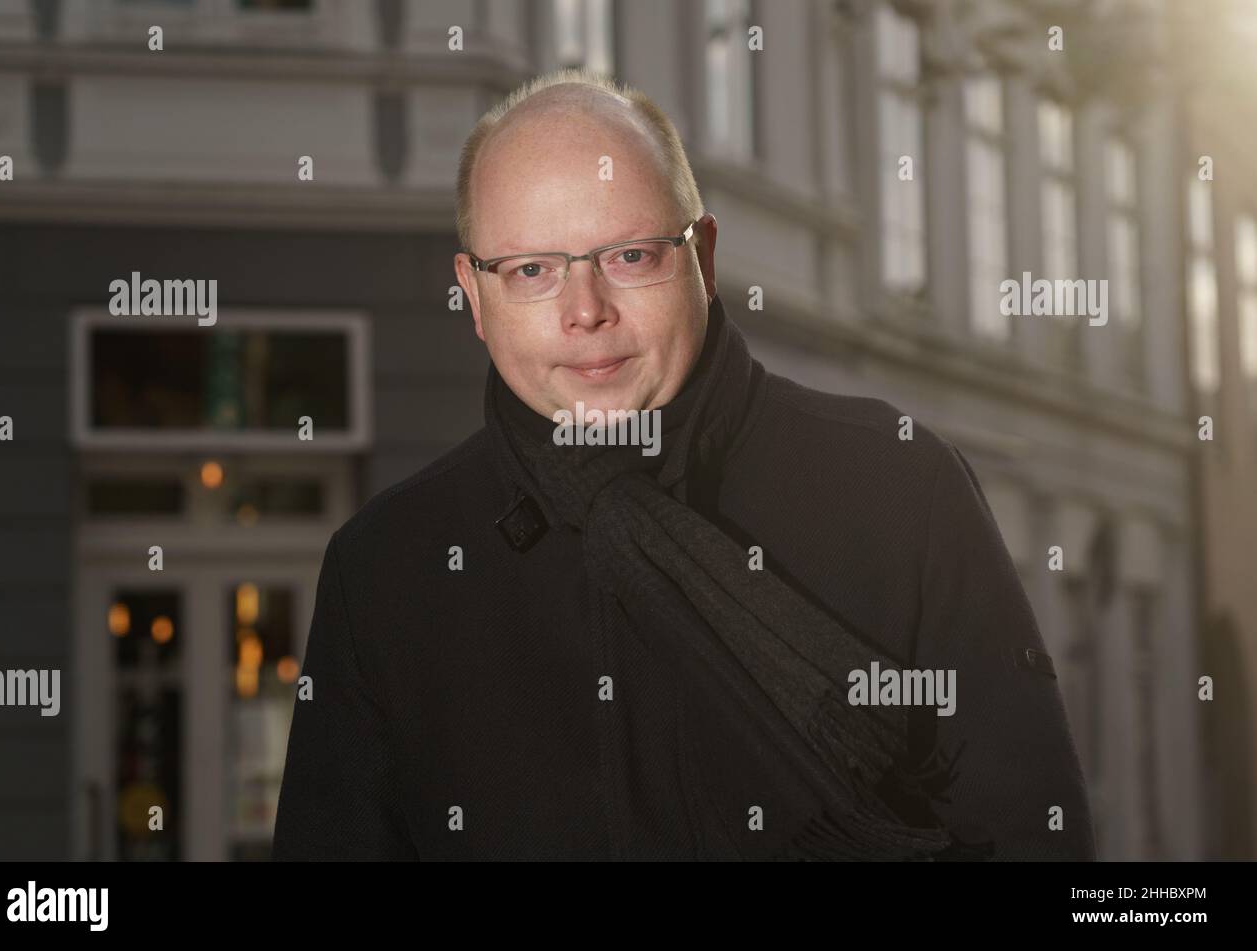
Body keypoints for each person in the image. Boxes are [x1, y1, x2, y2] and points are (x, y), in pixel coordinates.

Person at [271, 69, 1096, 861]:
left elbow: (1035, 841)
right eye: (531, 271)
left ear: (701, 257)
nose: (585, 310)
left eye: (630, 256)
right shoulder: (386, 569)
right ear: (473, 296)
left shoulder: (901, 489)